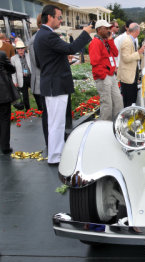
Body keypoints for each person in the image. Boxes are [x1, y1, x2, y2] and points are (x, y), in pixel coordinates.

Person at [34, 4, 92, 165]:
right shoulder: (48, 35)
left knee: (55, 122)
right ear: (50, 17)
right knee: (56, 123)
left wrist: (57, 62)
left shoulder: (42, 35)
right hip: (56, 85)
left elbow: (42, 61)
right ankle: (55, 156)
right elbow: (71, 47)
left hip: (52, 83)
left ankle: (56, 153)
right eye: (59, 17)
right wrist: (85, 33)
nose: (61, 20)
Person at [89, 20, 123, 120]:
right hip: (104, 76)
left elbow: (116, 53)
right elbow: (95, 62)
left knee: (118, 100)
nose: (109, 30)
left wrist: (110, 40)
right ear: (99, 29)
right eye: (106, 28)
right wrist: (103, 75)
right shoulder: (95, 42)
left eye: (109, 28)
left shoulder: (105, 41)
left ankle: (117, 121)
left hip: (110, 75)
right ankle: (104, 126)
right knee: (107, 103)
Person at [27, 14, 46, 146]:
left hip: (44, 81)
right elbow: (38, 62)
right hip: (41, 81)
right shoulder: (35, 40)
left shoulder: (39, 38)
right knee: (46, 113)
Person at [118, 23, 145, 107]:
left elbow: (134, 55)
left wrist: (141, 52)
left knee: (132, 98)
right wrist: (139, 52)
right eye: (139, 31)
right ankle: (128, 118)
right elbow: (126, 58)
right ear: (137, 31)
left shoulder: (132, 40)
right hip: (128, 77)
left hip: (132, 75)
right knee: (129, 101)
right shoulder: (127, 41)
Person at [0, 50, 16, 154]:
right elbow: (12, 69)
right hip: (3, 92)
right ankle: (5, 146)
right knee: (5, 119)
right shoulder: (1, 54)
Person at [11, 41, 31, 111]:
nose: (20, 50)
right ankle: (28, 110)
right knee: (25, 95)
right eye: (19, 49)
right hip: (21, 78)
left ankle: (40, 108)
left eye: (22, 48)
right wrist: (14, 81)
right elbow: (13, 72)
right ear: (16, 50)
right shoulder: (13, 58)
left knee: (36, 93)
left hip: (30, 76)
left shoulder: (29, 56)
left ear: (24, 49)